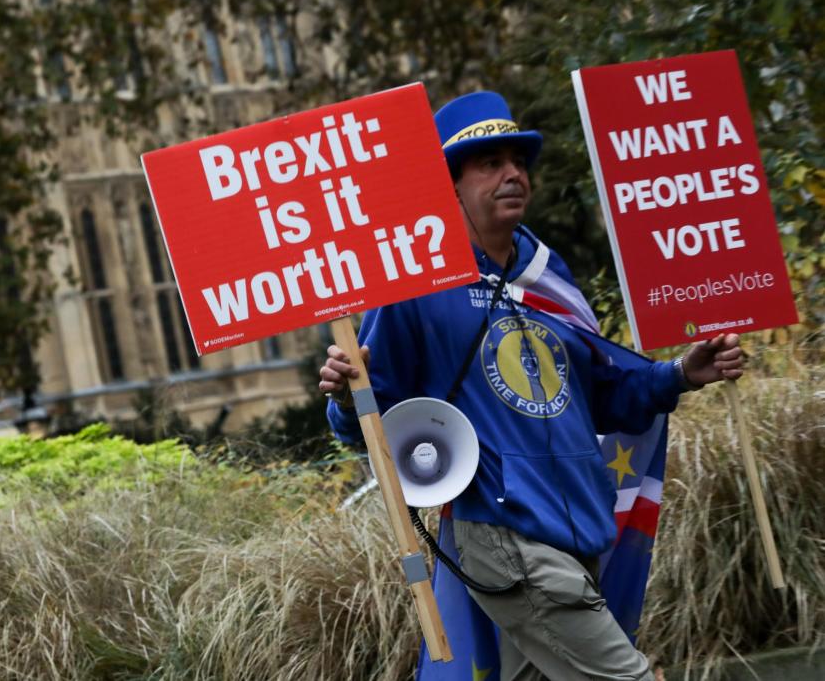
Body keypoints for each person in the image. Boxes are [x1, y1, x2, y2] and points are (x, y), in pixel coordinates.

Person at [318, 91, 744, 681]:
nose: (513, 174)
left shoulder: (549, 274)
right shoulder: (415, 283)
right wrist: (345, 396)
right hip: (504, 533)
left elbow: (600, 396)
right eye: (489, 163)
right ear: (451, 185)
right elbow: (375, 417)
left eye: (518, 162)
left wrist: (678, 375)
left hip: (582, 529)